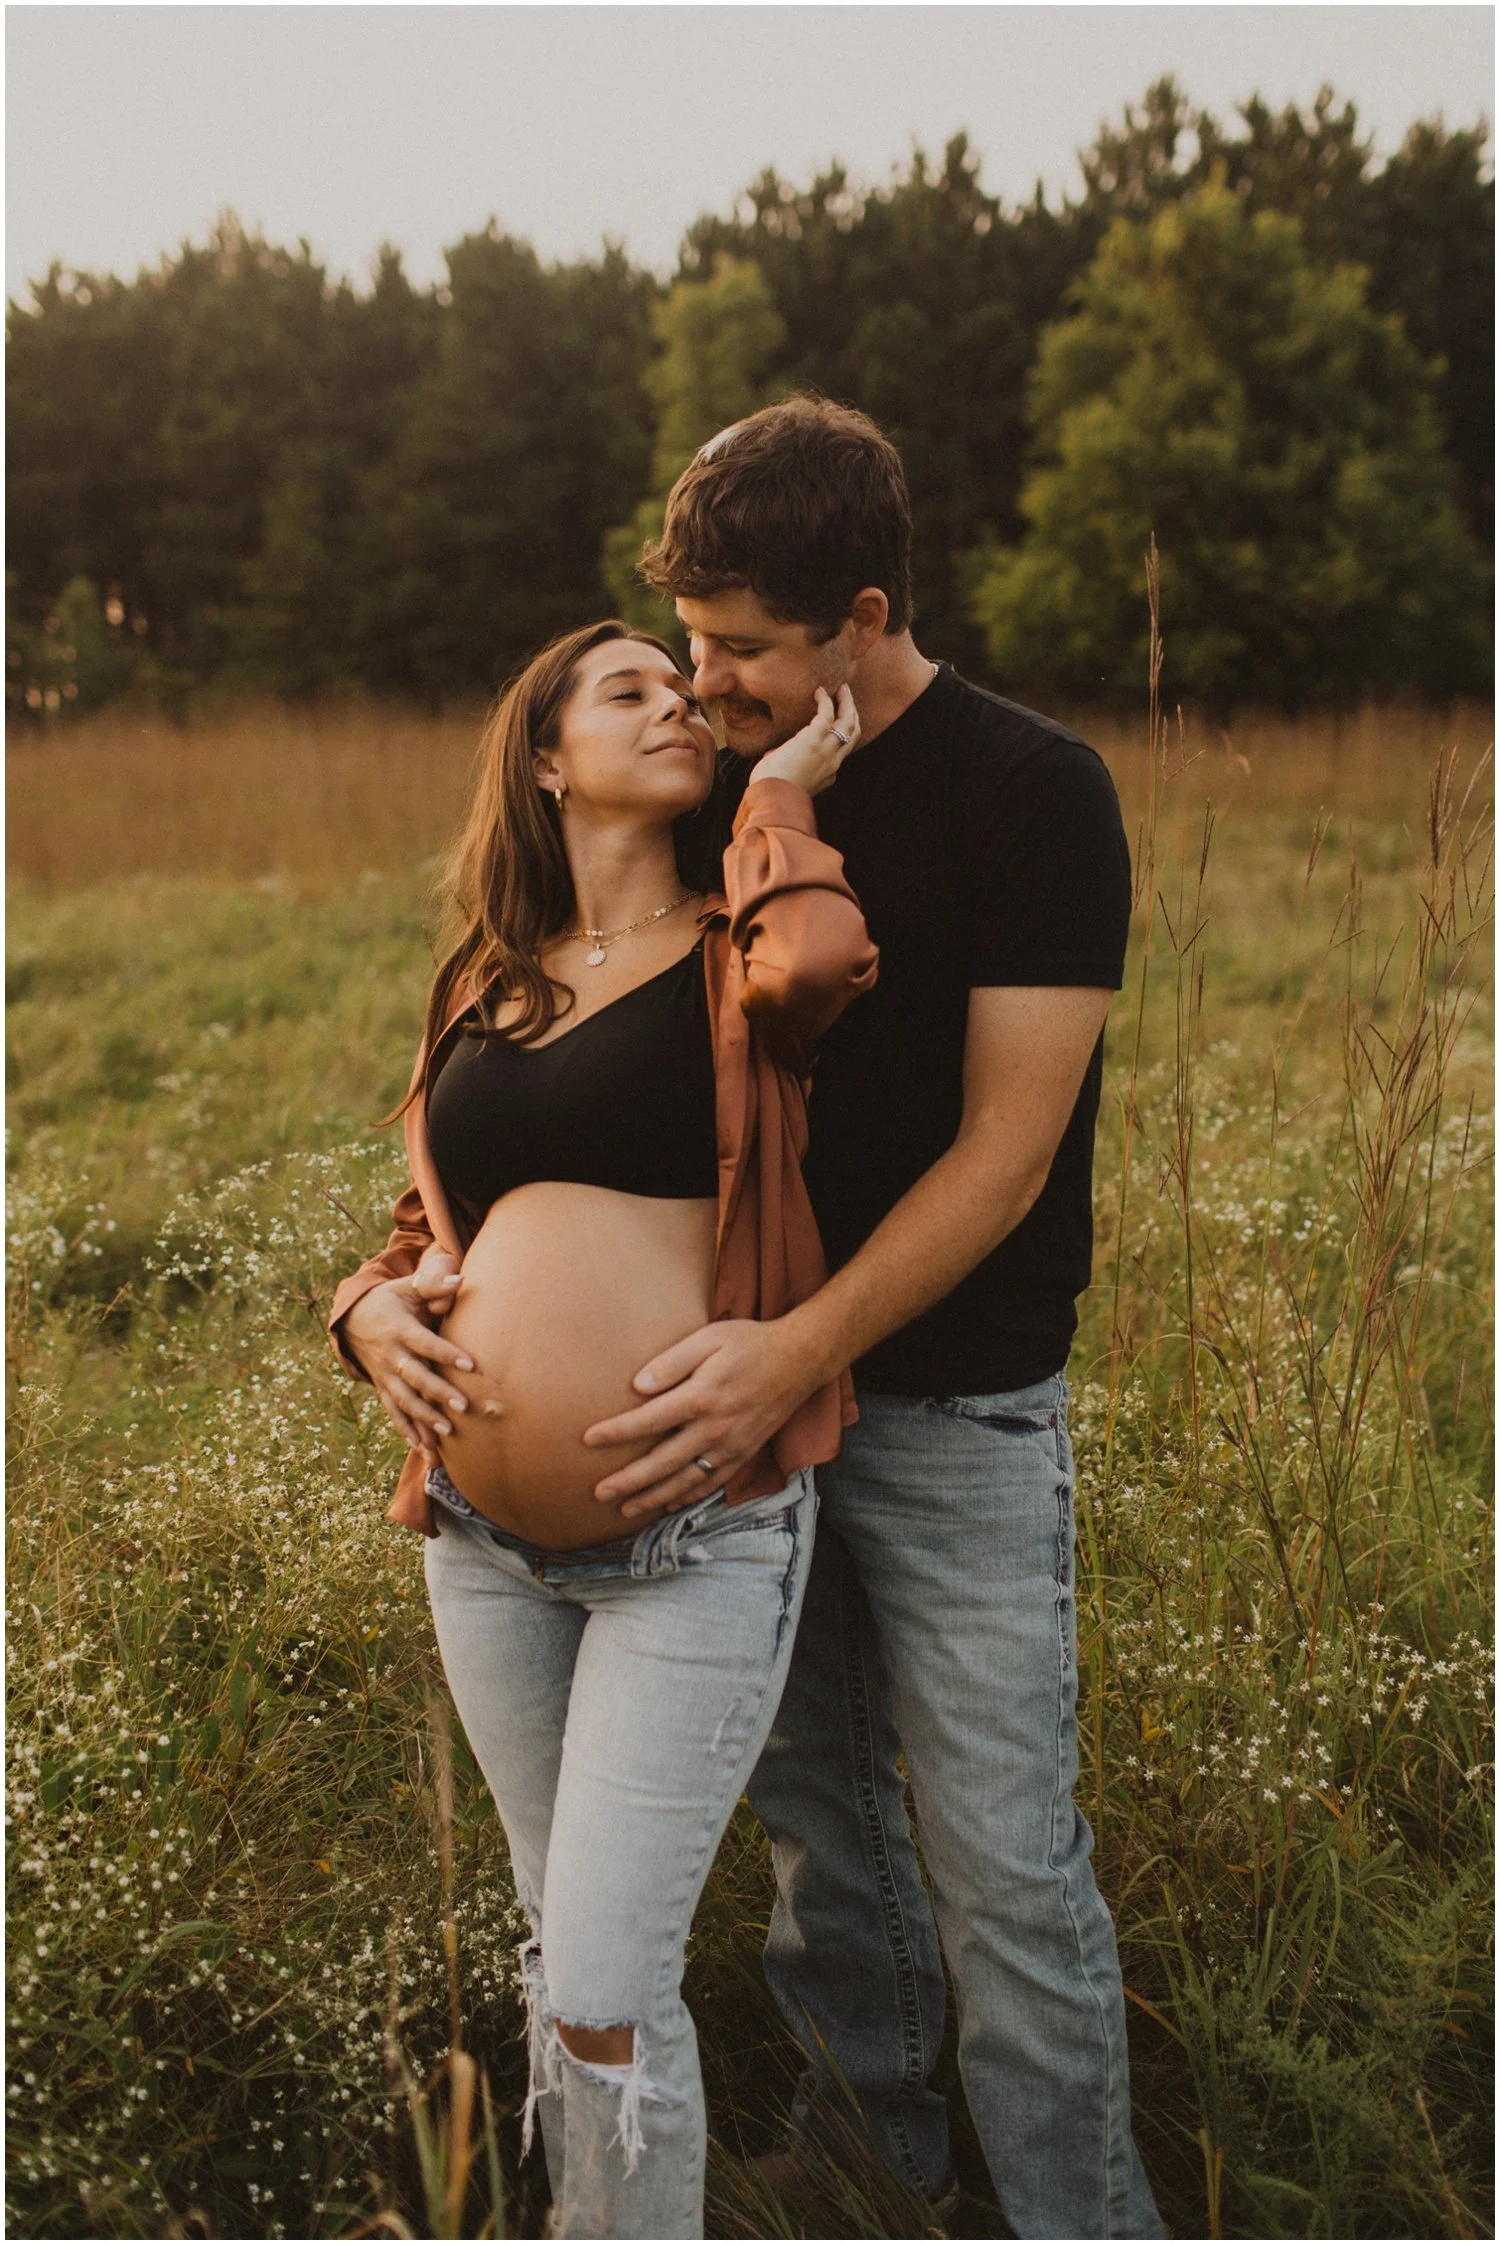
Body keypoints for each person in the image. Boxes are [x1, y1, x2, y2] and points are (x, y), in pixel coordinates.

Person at [580, 400, 1165, 2239]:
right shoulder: (732, 792)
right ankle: (870, 2170)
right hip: (755, 1416)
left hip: (955, 1412)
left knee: (1003, 1867)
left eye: (741, 648)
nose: (704, 679)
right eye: (686, 643)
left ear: (860, 609)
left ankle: (1084, 2218)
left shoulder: (1032, 787)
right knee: (827, 1845)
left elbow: (1004, 1160)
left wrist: (795, 1347)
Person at [327, 619, 877, 2239]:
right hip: (483, 1548)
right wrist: (358, 1311)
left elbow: (827, 965)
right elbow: (435, 1221)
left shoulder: (736, 944)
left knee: (606, 1976)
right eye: (627, 691)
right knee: (554, 1941)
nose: (678, 706)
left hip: (691, 1534)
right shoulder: (486, 984)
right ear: (548, 758)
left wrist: (778, 791)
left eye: (683, 687)